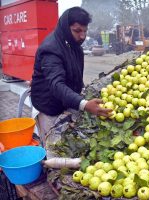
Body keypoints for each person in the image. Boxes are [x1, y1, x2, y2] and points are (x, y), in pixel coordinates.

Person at [30, 7, 112, 144]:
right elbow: (56, 85)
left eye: (85, 31)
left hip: (65, 103)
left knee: (67, 141)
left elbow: (76, 76)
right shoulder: (50, 49)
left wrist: (84, 92)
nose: (83, 36)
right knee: (54, 146)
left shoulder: (74, 47)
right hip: (49, 108)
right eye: (77, 30)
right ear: (65, 27)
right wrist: (84, 104)